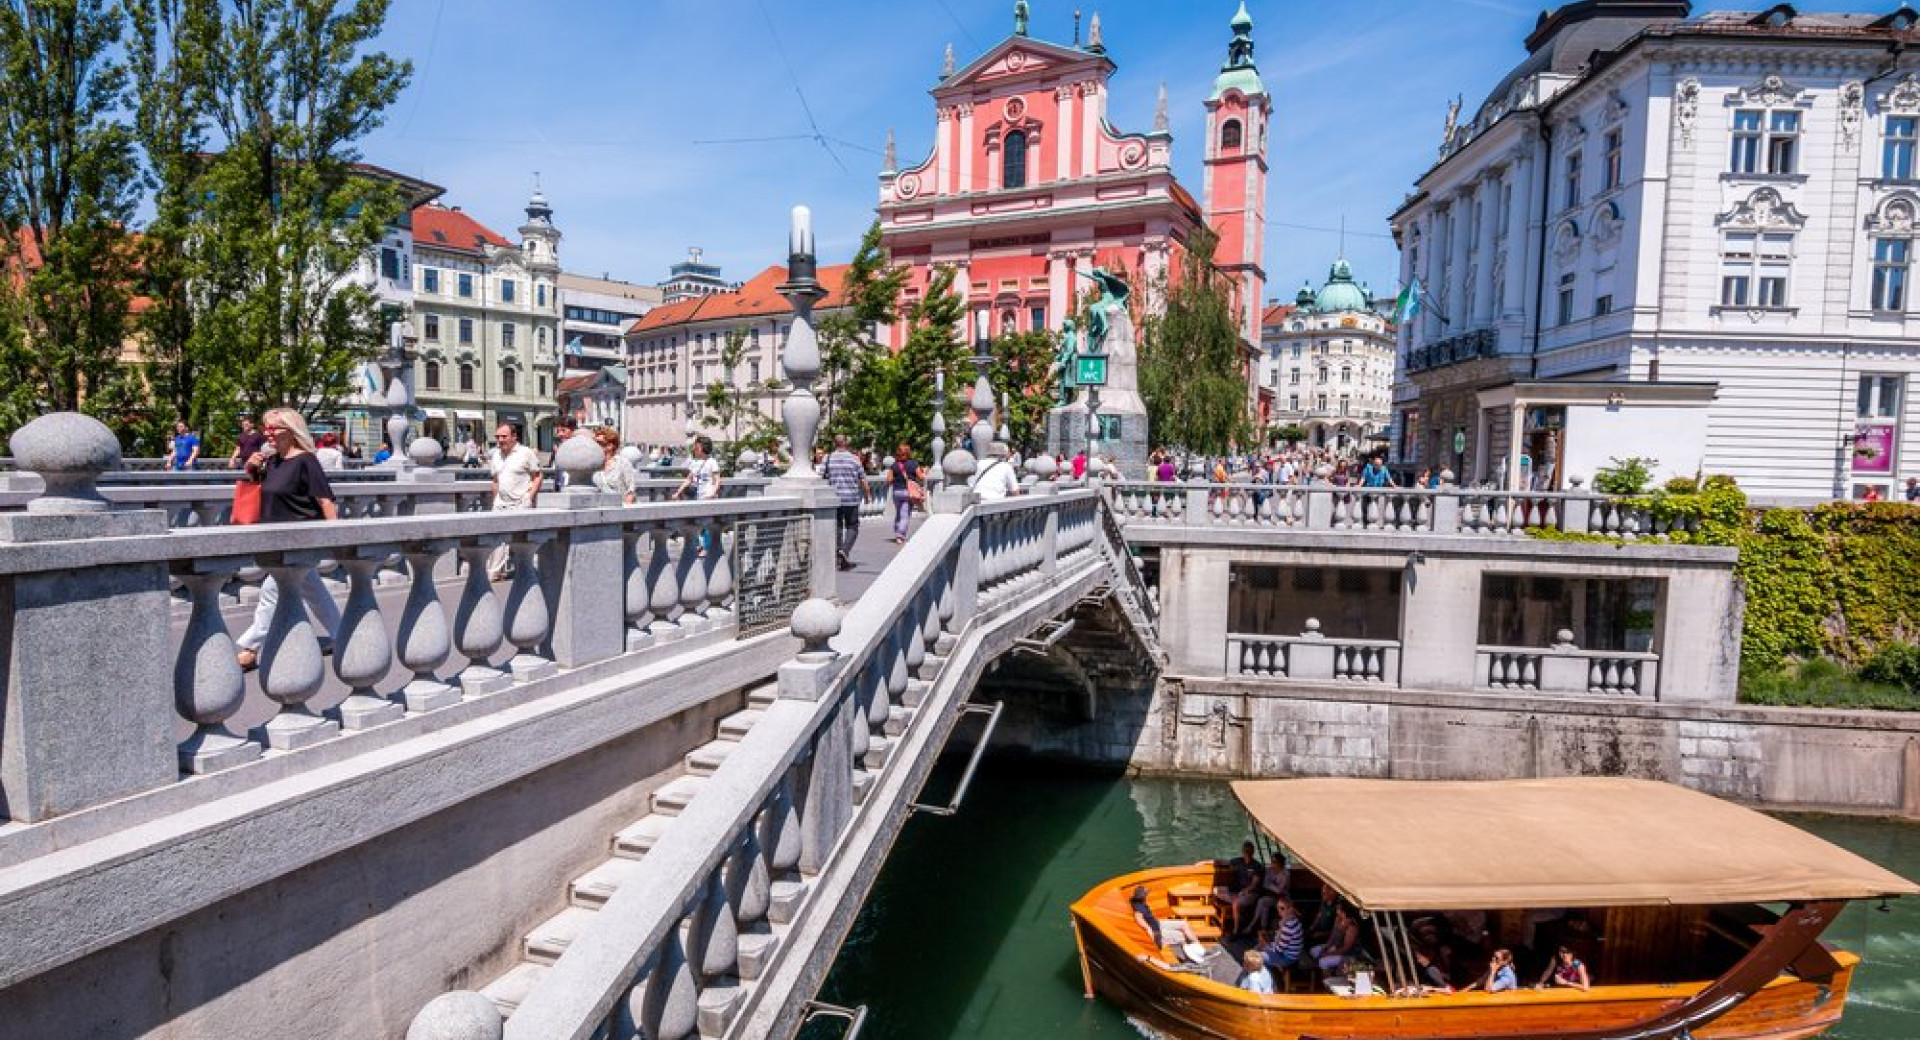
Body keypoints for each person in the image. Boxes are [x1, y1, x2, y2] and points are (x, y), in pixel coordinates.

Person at [233, 408, 343, 671]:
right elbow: (266, 493)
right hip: (275, 538)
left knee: (271, 590)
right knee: (313, 590)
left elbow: (324, 499)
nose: (267, 433)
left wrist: (338, 536)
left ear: (291, 431)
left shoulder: (306, 461)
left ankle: (250, 649)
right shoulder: (272, 462)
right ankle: (343, 635)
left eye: (273, 428)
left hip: (301, 537)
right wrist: (253, 470)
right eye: (266, 428)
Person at [487, 424, 542, 581]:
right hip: (500, 503)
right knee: (496, 537)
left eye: (504, 436)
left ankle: (526, 571)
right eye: (497, 437)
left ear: (514, 437)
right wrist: (495, 499)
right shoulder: (496, 455)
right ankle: (495, 572)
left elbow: (537, 476)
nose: (500, 440)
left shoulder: (526, 453)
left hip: (520, 503)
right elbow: (495, 479)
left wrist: (529, 497)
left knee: (522, 540)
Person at [823, 435, 868, 571]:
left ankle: (838, 556)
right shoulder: (854, 459)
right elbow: (863, 479)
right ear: (846, 444)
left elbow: (822, 476)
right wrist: (867, 495)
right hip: (851, 498)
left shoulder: (828, 458)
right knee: (852, 526)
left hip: (835, 499)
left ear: (835, 444)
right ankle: (844, 550)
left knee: (837, 527)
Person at [1212, 841, 1263, 936]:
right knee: (1215, 890)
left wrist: (1244, 891)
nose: (1247, 853)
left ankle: (1236, 931)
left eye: (1249, 851)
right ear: (1243, 851)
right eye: (1245, 850)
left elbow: (1254, 885)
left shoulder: (1257, 866)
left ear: (1253, 852)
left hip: (1252, 893)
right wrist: (1205, 862)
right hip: (1238, 891)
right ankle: (1216, 921)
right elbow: (1222, 862)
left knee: (1236, 903)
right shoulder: (1238, 861)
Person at [1130, 885, 1201, 951]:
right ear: (1142, 895)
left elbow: (1132, 899)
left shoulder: (1136, 901)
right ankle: (1195, 952)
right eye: (1146, 893)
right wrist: (1148, 928)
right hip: (1157, 931)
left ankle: (1199, 947)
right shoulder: (1139, 907)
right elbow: (1138, 918)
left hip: (1158, 923)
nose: (1147, 894)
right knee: (1182, 935)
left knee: (1184, 923)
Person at [592, 426, 638, 505]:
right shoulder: (593, 465)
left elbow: (631, 490)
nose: (596, 446)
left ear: (610, 445)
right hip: (599, 510)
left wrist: (626, 508)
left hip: (619, 508)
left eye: (599, 443)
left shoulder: (623, 463)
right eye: (595, 443)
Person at [886, 441, 920, 545]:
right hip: (908, 492)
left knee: (899, 512)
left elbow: (889, 480)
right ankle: (900, 535)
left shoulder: (894, 465)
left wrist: (897, 478)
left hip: (897, 492)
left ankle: (897, 531)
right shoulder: (914, 464)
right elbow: (921, 476)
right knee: (905, 514)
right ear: (908, 452)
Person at [1310, 905, 1359, 973]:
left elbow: (1345, 948)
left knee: (1323, 962)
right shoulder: (1338, 919)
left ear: (1344, 912)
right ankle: (1329, 970)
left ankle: (1327, 979)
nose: (1337, 911)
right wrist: (1326, 947)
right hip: (1335, 947)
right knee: (1314, 951)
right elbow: (1332, 937)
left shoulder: (1352, 927)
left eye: (1338, 909)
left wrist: (1328, 954)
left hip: (1347, 955)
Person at [1260, 900, 1305, 971]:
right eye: (1278, 908)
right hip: (1291, 954)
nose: (1279, 911)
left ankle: (1268, 977)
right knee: (1259, 948)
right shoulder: (1294, 919)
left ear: (1290, 909)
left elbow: (1278, 950)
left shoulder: (1288, 926)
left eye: (1282, 908)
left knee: (1256, 958)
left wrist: (1267, 947)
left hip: (1287, 958)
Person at [553, 417, 580, 488]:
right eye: (558, 431)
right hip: (561, 486)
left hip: (575, 487)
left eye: (563, 430)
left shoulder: (580, 446)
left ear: (573, 429)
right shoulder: (558, 447)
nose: (560, 434)